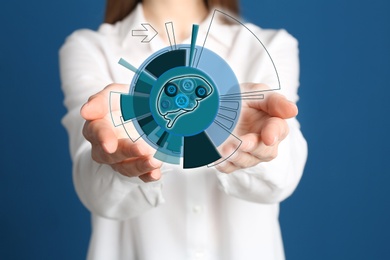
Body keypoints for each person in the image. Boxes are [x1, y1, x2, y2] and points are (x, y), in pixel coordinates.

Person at [60, 0, 308, 259]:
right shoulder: (91, 48)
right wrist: (126, 153)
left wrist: (257, 146)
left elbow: (282, 178)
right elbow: (96, 193)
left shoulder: (268, 45)